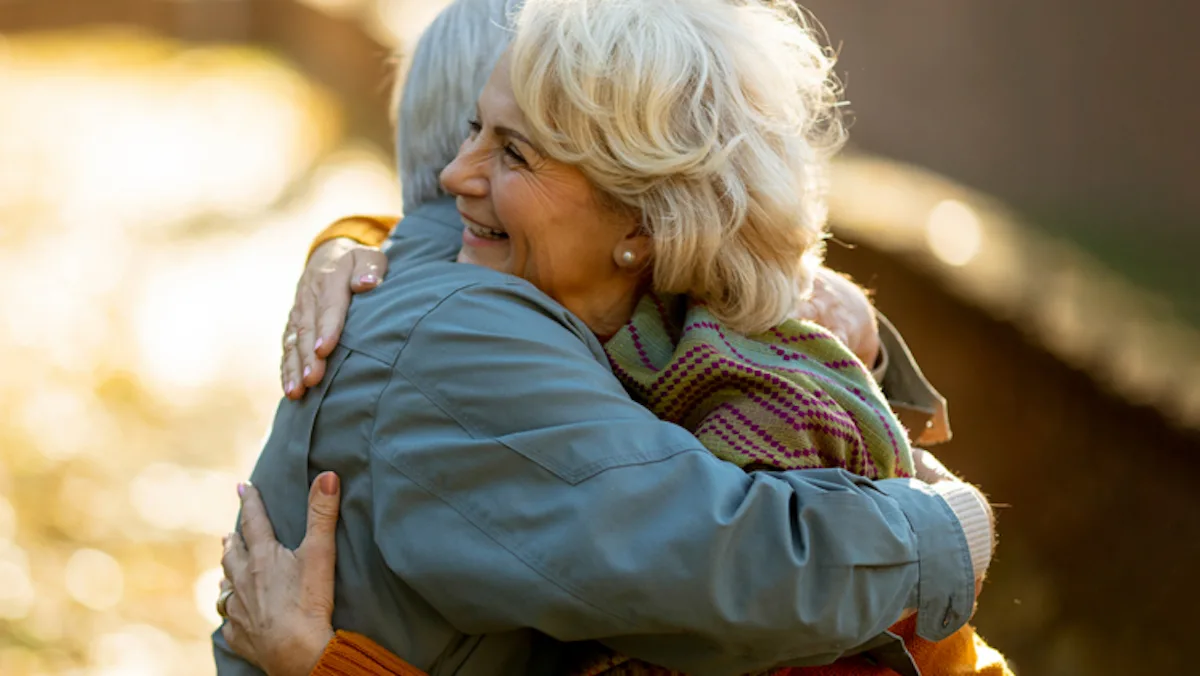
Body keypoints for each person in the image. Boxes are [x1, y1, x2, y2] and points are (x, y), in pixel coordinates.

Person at [213, 0, 996, 674]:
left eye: (513, 149)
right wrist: (949, 529)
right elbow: (723, 565)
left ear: (643, 226)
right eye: (474, 131)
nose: (456, 174)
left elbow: (735, 563)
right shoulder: (491, 333)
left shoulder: (720, 386)